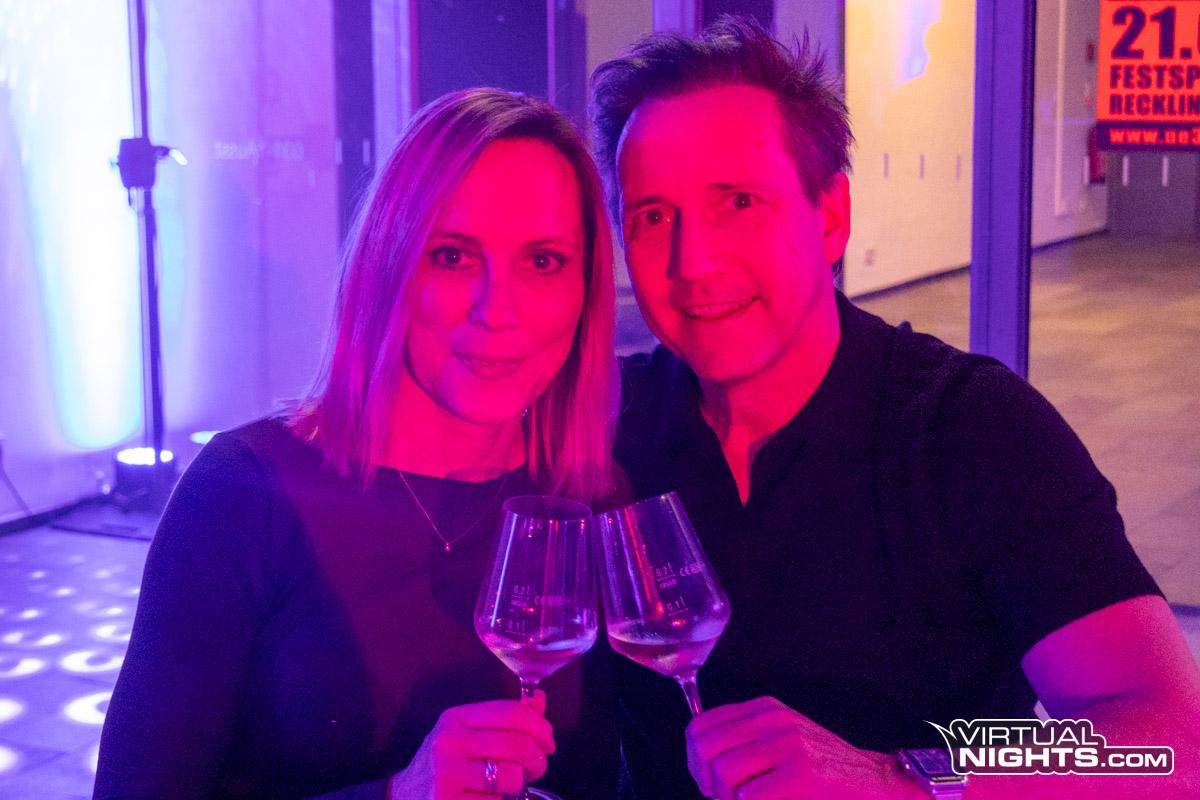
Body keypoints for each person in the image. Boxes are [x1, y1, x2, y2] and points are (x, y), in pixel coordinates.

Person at [593, 17, 1200, 799]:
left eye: (738, 201)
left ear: (830, 217)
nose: (692, 262)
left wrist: (901, 779)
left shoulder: (969, 429)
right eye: (652, 216)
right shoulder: (607, 426)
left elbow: (1170, 743)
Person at [94, 88, 621, 799]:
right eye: (453, 256)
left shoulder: (587, 498)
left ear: (586, 289)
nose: (498, 311)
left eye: (544, 262)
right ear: (387, 267)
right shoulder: (244, 492)